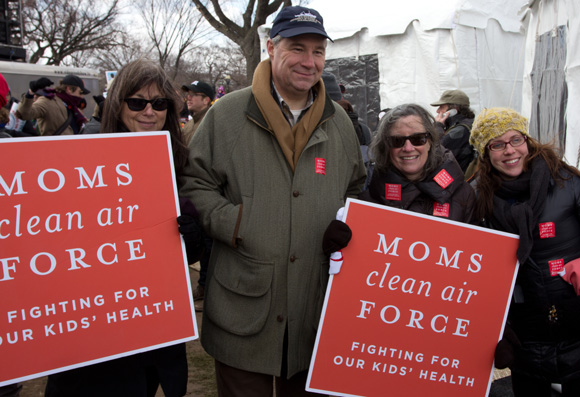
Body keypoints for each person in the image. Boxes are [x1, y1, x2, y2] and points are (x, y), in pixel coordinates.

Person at [180, 5, 366, 395]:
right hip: (244, 303)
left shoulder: (339, 122)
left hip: (313, 307)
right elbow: (195, 183)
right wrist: (236, 223)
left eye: (318, 51)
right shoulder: (228, 114)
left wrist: (344, 225)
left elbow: (354, 187)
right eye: (297, 48)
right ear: (270, 47)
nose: (309, 61)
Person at [44, 59, 193, 397]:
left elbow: (181, 250)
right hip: (95, 322)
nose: (149, 112)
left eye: (159, 104)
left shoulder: (177, 157)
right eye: (137, 102)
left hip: (152, 318)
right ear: (118, 103)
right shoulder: (82, 156)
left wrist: (190, 237)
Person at [469, 107, 580, 397]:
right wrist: (497, 332)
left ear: (528, 141)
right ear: (485, 153)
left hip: (576, 325)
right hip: (523, 338)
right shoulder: (477, 198)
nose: (509, 151)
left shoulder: (567, 182)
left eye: (515, 139)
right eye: (497, 144)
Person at [359, 104, 475, 223]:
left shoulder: (463, 196)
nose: (408, 148)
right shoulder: (368, 200)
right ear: (385, 147)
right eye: (397, 141)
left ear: (430, 142)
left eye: (418, 139)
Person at [16, 74, 89, 135]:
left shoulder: (74, 108)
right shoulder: (48, 101)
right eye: (80, 92)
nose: (82, 96)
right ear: (69, 89)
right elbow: (23, 113)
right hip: (53, 149)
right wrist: (31, 92)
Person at [430, 89, 476, 173]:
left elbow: (437, 152)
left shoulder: (460, 130)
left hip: (457, 180)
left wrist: (438, 126)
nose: (437, 111)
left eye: (442, 107)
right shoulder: (464, 124)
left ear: (454, 110)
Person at [181, 80, 215, 145]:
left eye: (193, 95)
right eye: (188, 94)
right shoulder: (188, 124)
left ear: (206, 100)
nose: (188, 98)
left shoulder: (212, 124)